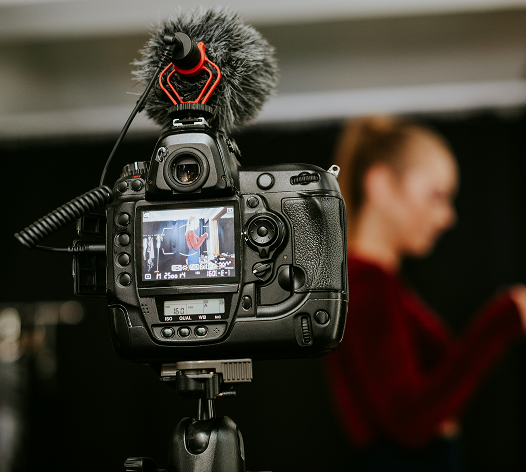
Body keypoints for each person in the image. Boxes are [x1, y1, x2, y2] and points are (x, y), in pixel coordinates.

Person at [324, 116, 526, 471]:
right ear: (380, 185)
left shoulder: (380, 284)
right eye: (436, 196)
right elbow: (410, 420)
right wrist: (504, 317)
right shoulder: (365, 284)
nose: (447, 217)